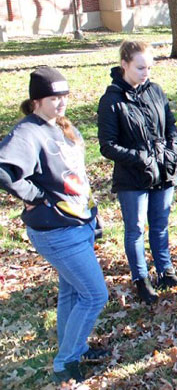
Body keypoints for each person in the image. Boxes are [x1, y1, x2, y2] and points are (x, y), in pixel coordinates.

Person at [0, 67, 108, 383]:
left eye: (64, 95)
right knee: (94, 295)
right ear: (36, 99)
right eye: (53, 97)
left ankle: (76, 345)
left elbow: (74, 175)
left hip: (78, 221)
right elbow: (4, 170)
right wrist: (33, 196)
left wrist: (92, 212)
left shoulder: (58, 125)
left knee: (72, 292)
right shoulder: (27, 132)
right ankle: (65, 363)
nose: (61, 102)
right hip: (57, 229)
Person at [97, 41, 177, 304]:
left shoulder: (155, 91)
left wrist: (172, 151)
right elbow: (107, 146)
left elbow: (171, 126)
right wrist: (140, 158)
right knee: (135, 228)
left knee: (160, 224)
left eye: (149, 67)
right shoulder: (111, 100)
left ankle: (166, 272)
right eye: (139, 67)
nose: (145, 72)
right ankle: (141, 279)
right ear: (124, 65)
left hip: (162, 169)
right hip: (132, 176)